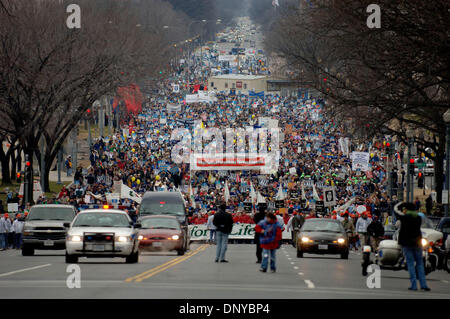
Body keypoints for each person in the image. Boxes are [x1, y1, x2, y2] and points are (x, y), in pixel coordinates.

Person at [394, 202, 430, 291]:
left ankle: (414, 285)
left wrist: (401, 203)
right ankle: (423, 284)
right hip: (417, 243)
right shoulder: (418, 218)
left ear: (406, 209)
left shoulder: (404, 217)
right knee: (420, 264)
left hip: (406, 243)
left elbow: (395, 210)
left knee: (410, 264)